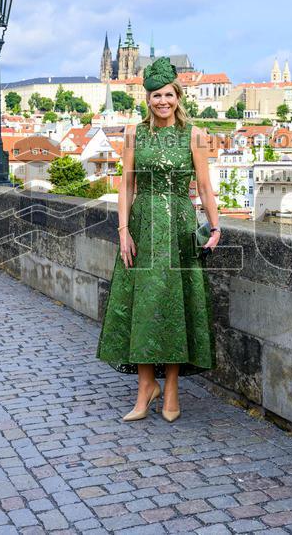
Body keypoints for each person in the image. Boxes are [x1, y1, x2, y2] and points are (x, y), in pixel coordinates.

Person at [96, 57, 220, 423]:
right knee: (144, 306)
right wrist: (123, 231)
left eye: (168, 95)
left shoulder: (194, 135)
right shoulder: (134, 134)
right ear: (147, 99)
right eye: (155, 96)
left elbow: (205, 187)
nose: (162, 101)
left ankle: (171, 391)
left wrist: (215, 226)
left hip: (180, 226)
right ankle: (145, 388)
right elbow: (126, 186)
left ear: (178, 97)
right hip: (144, 225)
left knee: (175, 307)